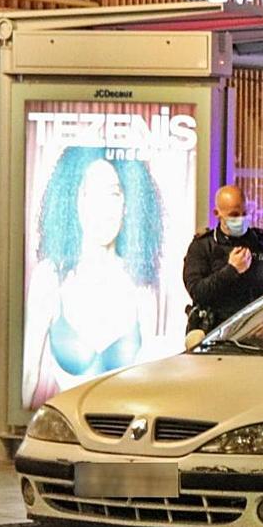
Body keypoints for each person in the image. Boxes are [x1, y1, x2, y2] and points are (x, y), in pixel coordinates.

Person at [22, 147, 165, 409]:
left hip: (121, 429)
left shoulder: (142, 285)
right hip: (65, 429)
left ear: (127, 204)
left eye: (112, 193)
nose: (102, 208)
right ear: (72, 200)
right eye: (90, 194)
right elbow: (28, 373)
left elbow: (149, 379)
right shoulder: (50, 277)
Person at [183, 185, 263, 335]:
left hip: (254, 335)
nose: (240, 219)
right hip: (213, 334)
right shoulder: (203, 246)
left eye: (244, 213)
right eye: (234, 215)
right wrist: (231, 270)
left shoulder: (262, 244)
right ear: (217, 214)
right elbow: (198, 292)